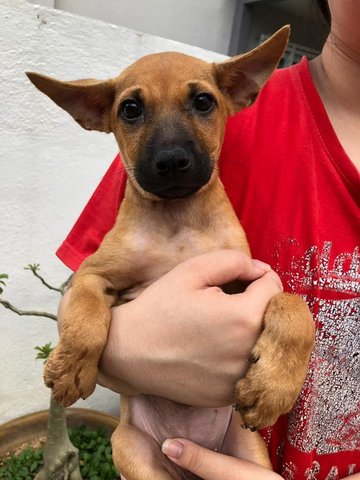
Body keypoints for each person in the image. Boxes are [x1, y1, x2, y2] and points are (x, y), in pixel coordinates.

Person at [56, 0, 360, 478]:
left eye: (200, 103)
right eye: (132, 110)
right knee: (130, 447)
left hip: (243, 445)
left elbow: (269, 303)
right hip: (151, 441)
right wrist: (110, 347)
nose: (172, 151)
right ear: (98, 114)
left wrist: (292, 330)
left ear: (238, 91)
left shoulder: (222, 220)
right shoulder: (141, 202)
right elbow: (85, 284)